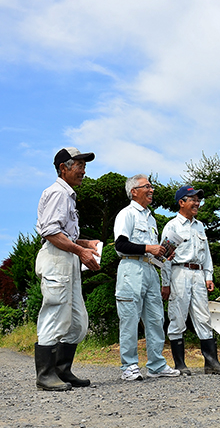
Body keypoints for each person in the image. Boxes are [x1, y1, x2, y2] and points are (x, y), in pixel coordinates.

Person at [34, 147, 100, 391]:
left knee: (77, 322)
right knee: (55, 315)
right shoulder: (57, 193)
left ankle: (62, 370)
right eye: (79, 165)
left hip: (68, 259)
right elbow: (50, 232)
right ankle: (45, 375)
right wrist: (80, 251)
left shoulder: (68, 195)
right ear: (64, 168)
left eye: (84, 166)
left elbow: (63, 232)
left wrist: (85, 243)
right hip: (57, 260)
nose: (84, 170)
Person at [113, 174, 180, 381]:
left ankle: (156, 365)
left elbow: (151, 250)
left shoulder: (150, 218)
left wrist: (162, 252)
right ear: (134, 191)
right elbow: (120, 245)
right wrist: (148, 247)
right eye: (147, 187)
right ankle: (129, 366)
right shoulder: (126, 214)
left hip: (151, 269)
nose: (152, 190)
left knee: (156, 318)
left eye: (152, 187)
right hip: (131, 268)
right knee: (130, 318)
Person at [161, 185, 220, 375]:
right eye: (192, 199)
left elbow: (206, 253)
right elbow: (165, 257)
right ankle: (180, 364)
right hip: (179, 273)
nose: (197, 203)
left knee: (204, 317)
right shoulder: (172, 226)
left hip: (198, 274)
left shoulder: (199, 226)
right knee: (177, 317)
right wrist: (165, 283)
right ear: (181, 202)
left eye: (198, 199)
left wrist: (209, 276)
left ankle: (211, 363)